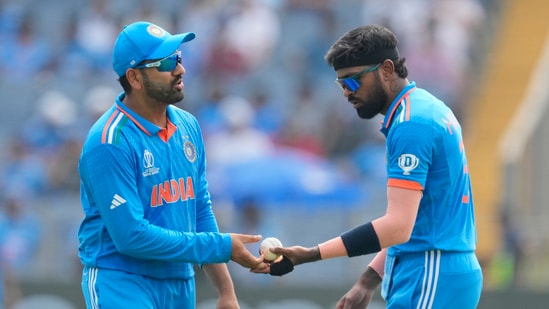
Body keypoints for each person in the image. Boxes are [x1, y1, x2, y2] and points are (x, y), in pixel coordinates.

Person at [252, 24, 483, 308]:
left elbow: (398, 226)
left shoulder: (412, 124)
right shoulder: (422, 108)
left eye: (352, 81)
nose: (346, 93)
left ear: (387, 70)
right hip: (434, 269)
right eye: (341, 85)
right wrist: (369, 279)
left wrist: (310, 254)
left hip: (432, 272)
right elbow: (417, 221)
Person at [77, 21, 266, 309]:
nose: (180, 69)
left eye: (178, 57)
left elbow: (199, 209)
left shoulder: (188, 125)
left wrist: (226, 291)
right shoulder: (109, 141)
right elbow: (131, 237)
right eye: (166, 62)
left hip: (179, 282)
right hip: (123, 281)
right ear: (135, 78)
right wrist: (221, 246)